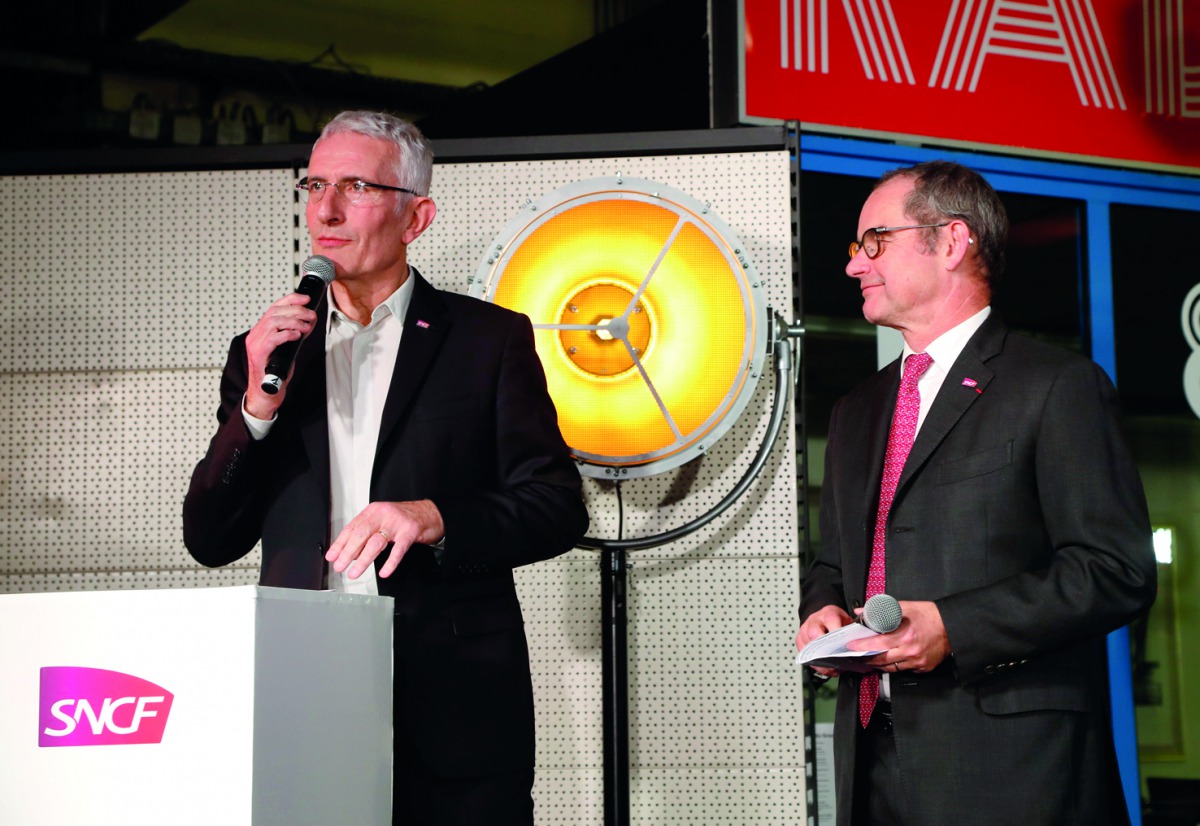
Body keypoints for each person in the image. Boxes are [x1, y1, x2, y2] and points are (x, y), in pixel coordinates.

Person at [183, 110, 588, 825]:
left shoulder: (486, 341)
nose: (326, 210)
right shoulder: (266, 353)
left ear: (416, 217)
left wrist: (437, 518)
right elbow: (209, 538)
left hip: (452, 704)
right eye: (315, 184)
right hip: (302, 695)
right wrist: (255, 407)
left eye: (355, 187)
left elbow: (556, 505)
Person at [795, 160, 1156, 825]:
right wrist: (822, 612)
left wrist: (953, 627)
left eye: (874, 241)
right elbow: (836, 565)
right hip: (870, 758)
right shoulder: (856, 409)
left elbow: (1115, 571)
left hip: (1015, 770)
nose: (854, 266)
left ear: (953, 242)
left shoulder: (1055, 386)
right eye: (856, 248)